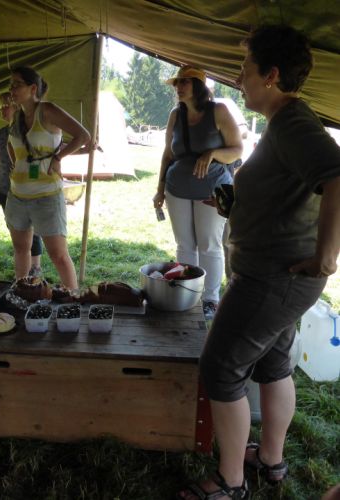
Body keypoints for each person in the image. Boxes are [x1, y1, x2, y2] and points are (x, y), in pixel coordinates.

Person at [177, 25, 340, 499]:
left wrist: (327, 257)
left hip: (274, 278)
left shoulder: (292, 123)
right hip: (280, 274)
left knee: (221, 367)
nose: (238, 78)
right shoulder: (284, 124)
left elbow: (337, 176)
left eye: (245, 69)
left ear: (271, 75)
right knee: (273, 363)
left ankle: (230, 482)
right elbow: (288, 191)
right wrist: (233, 204)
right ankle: (270, 459)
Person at [153, 65, 243, 320]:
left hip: (213, 190)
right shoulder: (175, 115)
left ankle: (210, 300)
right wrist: (159, 189)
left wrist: (212, 153)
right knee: (185, 245)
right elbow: (168, 154)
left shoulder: (218, 111)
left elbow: (237, 149)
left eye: (184, 82)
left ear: (199, 86)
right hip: (177, 189)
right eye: (177, 83)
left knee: (209, 245)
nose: (178, 87)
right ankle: (188, 293)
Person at [6, 66, 90, 289]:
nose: (12, 89)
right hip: (17, 196)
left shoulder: (47, 111)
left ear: (33, 88)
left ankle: (72, 298)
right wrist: (18, 166)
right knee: (21, 250)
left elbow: (83, 136)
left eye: (17, 85)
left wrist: (59, 157)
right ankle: (23, 293)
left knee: (58, 255)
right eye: (11, 85)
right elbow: (10, 144)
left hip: (46, 196)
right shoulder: (17, 116)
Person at [0, 91, 43, 277]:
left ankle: (35, 270)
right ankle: (22, 275)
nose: (2, 111)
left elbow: (37, 161)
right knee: (16, 231)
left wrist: (33, 183)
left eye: (5, 106)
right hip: (6, 191)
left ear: (16, 107)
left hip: (29, 191)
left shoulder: (30, 130)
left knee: (32, 231)